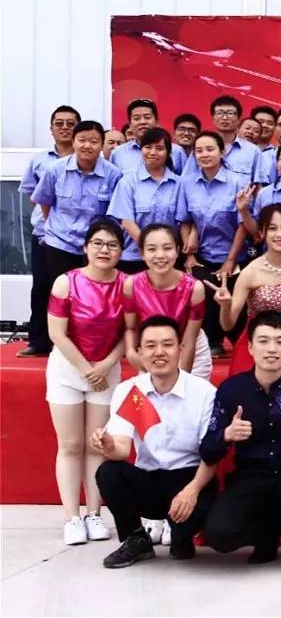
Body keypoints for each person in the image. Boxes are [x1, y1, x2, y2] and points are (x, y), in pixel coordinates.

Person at [200, 311, 281, 576]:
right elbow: (208, 450)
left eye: (280, 341)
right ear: (250, 347)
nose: (272, 349)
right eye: (263, 341)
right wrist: (227, 435)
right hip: (251, 478)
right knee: (219, 535)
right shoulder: (231, 390)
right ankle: (266, 534)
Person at [92, 316, 219, 567]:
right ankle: (136, 539)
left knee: (190, 529)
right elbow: (121, 450)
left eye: (167, 345)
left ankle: (183, 536)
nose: (159, 352)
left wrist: (191, 491)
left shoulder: (204, 392)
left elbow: (212, 453)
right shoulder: (130, 391)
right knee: (109, 472)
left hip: (190, 477)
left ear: (180, 349)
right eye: (150, 346)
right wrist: (108, 445)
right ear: (139, 352)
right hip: (149, 477)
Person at [46, 218, 127, 545]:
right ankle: (72, 517)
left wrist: (105, 365)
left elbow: (129, 333)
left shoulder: (127, 285)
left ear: (121, 251)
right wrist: (85, 369)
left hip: (106, 371)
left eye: (112, 245)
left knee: (97, 445)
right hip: (68, 370)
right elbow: (56, 333)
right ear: (86, 247)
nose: (104, 250)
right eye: (98, 243)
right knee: (70, 445)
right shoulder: (66, 283)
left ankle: (94, 513)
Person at [209, 204, 281, 376]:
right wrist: (225, 305)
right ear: (262, 233)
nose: (280, 234)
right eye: (272, 229)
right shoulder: (250, 272)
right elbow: (228, 325)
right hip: (252, 355)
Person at [176, 131, 252, 359]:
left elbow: (242, 225)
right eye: (199, 151)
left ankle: (239, 342)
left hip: (234, 254)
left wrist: (230, 260)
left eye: (210, 149)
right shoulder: (186, 183)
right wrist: (189, 255)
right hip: (202, 254)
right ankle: (212, 341)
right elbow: (184, 219)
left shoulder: (237, 182)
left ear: (221, 152)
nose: (204, 154)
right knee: (202, 290)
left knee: (234, 296)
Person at [17, 105, 80, 358]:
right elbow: (33, 195)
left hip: (80, 239)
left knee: (78, 291)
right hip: (44, 235)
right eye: (59, 123)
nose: (65, 128)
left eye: (70, 123)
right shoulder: (39, 160)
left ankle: (76, 341)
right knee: (43, 287)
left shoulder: (87, 158)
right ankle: (40, 340)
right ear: (51, 129)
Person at [31, 120, 124, 282]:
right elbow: (44, 202)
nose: (87, 146)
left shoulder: (113, 174)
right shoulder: (55, 169)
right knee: (62, 289)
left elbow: (116, 212)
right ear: (73, 142)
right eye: (82, 140)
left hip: (95, 247)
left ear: (102, 145)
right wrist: (53, 227)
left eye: (93, 141)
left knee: (92, 292)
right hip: (60, 243)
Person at [123, 225, 211, 380]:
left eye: (167, 248)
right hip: (151, 348)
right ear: (142, 253)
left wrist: (181, 379)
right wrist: (131, 352)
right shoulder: (131, 284)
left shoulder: (194, 287)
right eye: (152, 249)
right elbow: (131, 327)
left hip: (189, 349)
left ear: (177, 250)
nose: (160, 255)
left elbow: (190, 340)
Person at [107, 128, 181, 274]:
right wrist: (150, 249)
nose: (153, 152)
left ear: (168, 152)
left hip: (167, 259)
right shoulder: (128, 182)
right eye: (148, 147)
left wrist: (161, 252)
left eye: (159, 148)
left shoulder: (179, 184)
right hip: (133, 257)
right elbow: (127, 222)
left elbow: (183, 222)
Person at [182, 96, 261, 180]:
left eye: (230, 113)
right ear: (213, 117)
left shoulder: (252, 151)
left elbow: (258, 184)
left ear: (239, 119)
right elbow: (186, 179)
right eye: (219, 113)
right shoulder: (200, 147)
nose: (225, 117)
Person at [107, 98, 160, 175]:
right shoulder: (118, 153)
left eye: (147, 117)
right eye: (136, 118)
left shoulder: (174, 152)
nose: (142, 122)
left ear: (156, 121)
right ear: (130, 124)